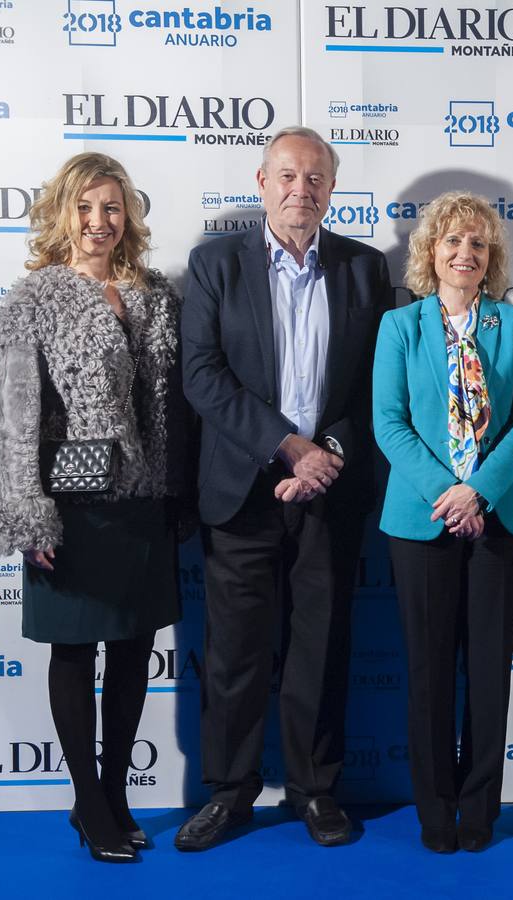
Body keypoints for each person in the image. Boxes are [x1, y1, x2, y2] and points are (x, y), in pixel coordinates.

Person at [176, 126, 391, 850]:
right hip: (242, 489)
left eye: (317, 179)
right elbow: (202, 375)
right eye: (289, 177)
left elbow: (374, 388)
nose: (303, 190)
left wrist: (326, 451)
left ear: (332, 189)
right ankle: (230, 795)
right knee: (235, 654)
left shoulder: (365, 269)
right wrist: (287, 445)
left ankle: (315, 792)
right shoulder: (214, 266)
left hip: (329, 489)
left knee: (319, 648)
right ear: (261, 181)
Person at [0, 152, 191, 862]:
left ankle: (116, 793)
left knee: (134, 650)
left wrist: (176, 493)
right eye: (85, 208)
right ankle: (87, 804)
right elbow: (13, 418)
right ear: (62, 214)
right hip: (69, 508)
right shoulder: (34, 297)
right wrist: (26, 511)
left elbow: (170, 411)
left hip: (140, 503)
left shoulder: (157, 297)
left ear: (127, 215)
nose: (99, 222)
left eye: (111, 207)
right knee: (74, 652)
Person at [372, 192, 513, 854]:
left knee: (489, 674)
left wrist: (481, 491)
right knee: (430, 671)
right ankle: (434, 807)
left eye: (477, 244)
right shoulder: (401, 327)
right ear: (430, 253)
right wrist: (449, 491)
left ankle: (480, 807)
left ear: (491, 257)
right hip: (421, 520)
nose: (464, 254)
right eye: (451, 242)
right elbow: (389, 421)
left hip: (497, 520)